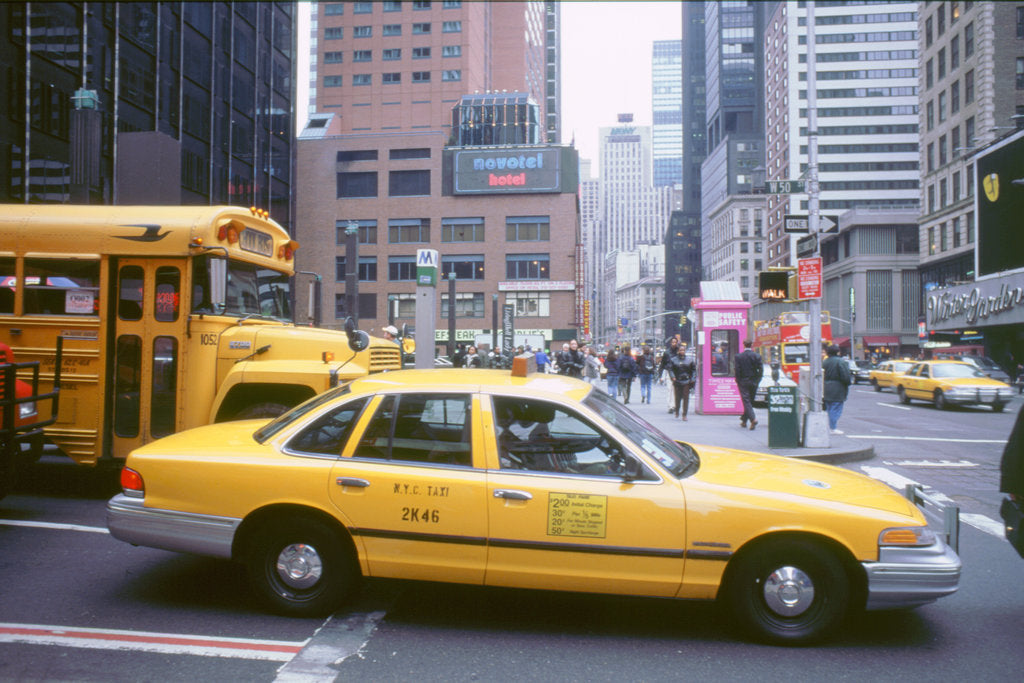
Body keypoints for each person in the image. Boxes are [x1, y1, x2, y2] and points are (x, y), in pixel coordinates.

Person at [822, 343, 852, 435]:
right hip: (838, 388)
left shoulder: (825, 362)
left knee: (828, 408)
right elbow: (846, 377)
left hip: (825, 387)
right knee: (836, 408)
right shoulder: (841, 362)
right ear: (838, 352)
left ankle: (828, 426)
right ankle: (832, 427)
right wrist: (847, 383)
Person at [734, 339, 763, 430]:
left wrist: (738, 380)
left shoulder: (739, 357)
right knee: (749, 401)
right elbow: (761, 370)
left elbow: (737, 370)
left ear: (744, 345)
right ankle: (744, 420)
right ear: (752, 345)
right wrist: (758, 380)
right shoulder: (757, 356)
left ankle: (753, 419)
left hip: (743, 381)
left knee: (746, 401)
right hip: (753, 381)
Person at [669, 346, 697, 420]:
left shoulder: (690, 360)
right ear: (678, 351)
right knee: (677, 398)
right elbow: (670, 369)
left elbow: (694, 370)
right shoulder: (673, 360)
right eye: (680, 350)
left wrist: (693, 378)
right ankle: (677, 411)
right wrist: (673, 377)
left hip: (686, 381)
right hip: (677, 380)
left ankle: (684, 414)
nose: (682, 351)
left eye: (683, 350)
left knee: (686, 398)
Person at [659, 337, 681, 413]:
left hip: (678, 373)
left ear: (677, 343)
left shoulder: (679, 351)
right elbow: (662, 364)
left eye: (675, 342)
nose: (674, 343)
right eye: (672, 342)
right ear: (671, 343)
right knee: (670, 389)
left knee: (677, 390)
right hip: (669, 372)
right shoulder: (667, 352)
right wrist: (660, 375)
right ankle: (671, 406)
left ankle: (675, 405)